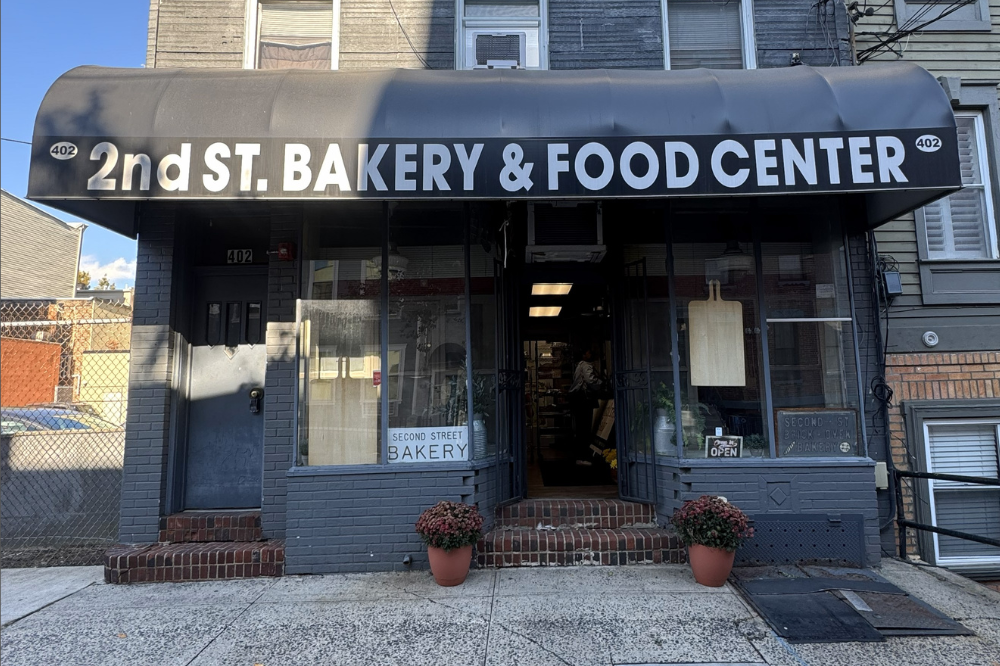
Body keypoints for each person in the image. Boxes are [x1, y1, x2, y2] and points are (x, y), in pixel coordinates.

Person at [569, 349, 602, 464]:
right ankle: (583, 456)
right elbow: (590, 381)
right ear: (584, 354)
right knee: (585, 427)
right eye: (588, 352)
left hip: (577, 399)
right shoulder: (587, 365)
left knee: (580, 428)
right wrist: (600, 383)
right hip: (584, 399)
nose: (590, 353)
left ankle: (579, 456)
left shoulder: (579, 365)